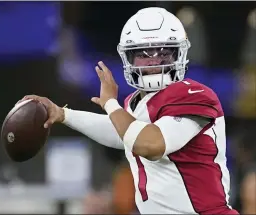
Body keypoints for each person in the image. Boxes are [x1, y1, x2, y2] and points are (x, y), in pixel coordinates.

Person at [20, 7, 239, 214]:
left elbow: (152, 145)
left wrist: (110, 104)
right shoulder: (136, 102)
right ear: (129, 57)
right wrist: (63, 114)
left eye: (163, 52)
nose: (154, 60)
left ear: (178, 53)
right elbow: (123, 133)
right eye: (143, 53)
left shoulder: (195, 95)